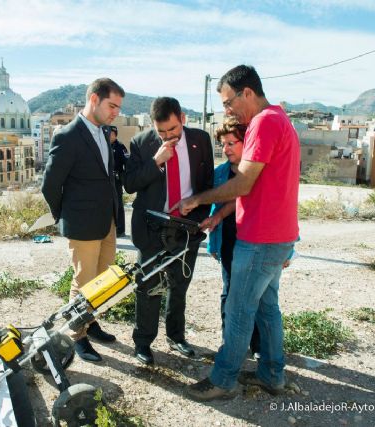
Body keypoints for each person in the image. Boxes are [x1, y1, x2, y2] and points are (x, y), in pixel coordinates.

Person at [178, 65, 300, 401]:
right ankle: (272, 375)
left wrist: (198, 199)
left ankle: (223, 379)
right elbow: (259, 186)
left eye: (229, 102)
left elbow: (244, 182)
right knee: (266, 307)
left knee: (239, 309)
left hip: (261, 239)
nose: (228, 110)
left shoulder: (263, 122)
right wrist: (219, 218)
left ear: (247, 92)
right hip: (278, 236)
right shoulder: (279, 118)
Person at [124, 97, 213, 365]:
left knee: (179, 284)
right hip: (151, 225)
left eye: (172, 130)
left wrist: (197, 217)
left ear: (182, 119)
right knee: (148, 286)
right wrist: (156, 161)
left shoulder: (201, 139)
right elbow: (130, 184)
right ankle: (143, 343)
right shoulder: (141, 143)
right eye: (161, 131)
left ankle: (176, 337)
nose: (167, 136)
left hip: (186, 227)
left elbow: (206, 182)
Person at [41, 78, 125, 362]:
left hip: (107, 222)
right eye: (111, 105)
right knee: (84, 282)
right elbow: (50, 184)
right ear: (94, 100)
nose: (115, 112)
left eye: (118, 107)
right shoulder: (67, 135)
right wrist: (64, 216)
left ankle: (91, 322)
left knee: (103, 282)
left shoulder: (104, 133)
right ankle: (78, 336)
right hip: (82, 225)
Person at [202, 117, 261, 358]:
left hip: (257, 241)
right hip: (228, 240)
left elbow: (280, 208)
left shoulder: (260, 171)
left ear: (246, 142)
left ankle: (258, 346)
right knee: (229, 292)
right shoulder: (220, 173)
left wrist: (287, 250)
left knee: (256, 295)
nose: (225, 149)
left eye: (230, 143)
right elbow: (215, 209)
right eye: (223, 144)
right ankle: (230, 343)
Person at [109, 125, 129, 237]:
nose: (109, 135)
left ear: (115, 134)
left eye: (112, 133)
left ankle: (120, 230)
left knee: (119, 205)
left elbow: (128, 162)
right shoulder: (104, 145)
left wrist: (125, 177)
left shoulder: (120, 146)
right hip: (105, 181)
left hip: (116, 180)